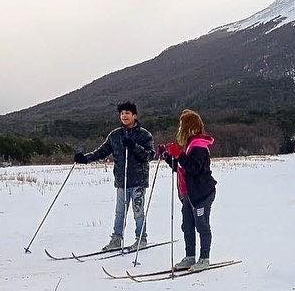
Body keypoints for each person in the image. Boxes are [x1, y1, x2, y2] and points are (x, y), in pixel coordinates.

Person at [73, 101, 155, 251]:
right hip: (121, 180)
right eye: (122, 113)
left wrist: (133, 146)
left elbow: (149, 155)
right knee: (120, 212)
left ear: (134, 116)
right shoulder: (115, 135)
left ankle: (141, 238)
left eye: (127, 113)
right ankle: (117, 239)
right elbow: (101, 151)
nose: (124, 116)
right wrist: (85, 158)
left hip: (138, 180)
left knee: (138, 211)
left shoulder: (144, 135)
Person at [159, 109, 217, 272]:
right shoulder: (189, 145)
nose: (180, 129)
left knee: (202, 225)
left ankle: (204, 258)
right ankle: (190, 256)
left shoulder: (199, 146)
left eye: (182, 126)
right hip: (189, 195)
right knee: (187, 225)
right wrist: (167, 156)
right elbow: (181, 167)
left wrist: (179, 155)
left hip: (201, 194)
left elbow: (194, 169)